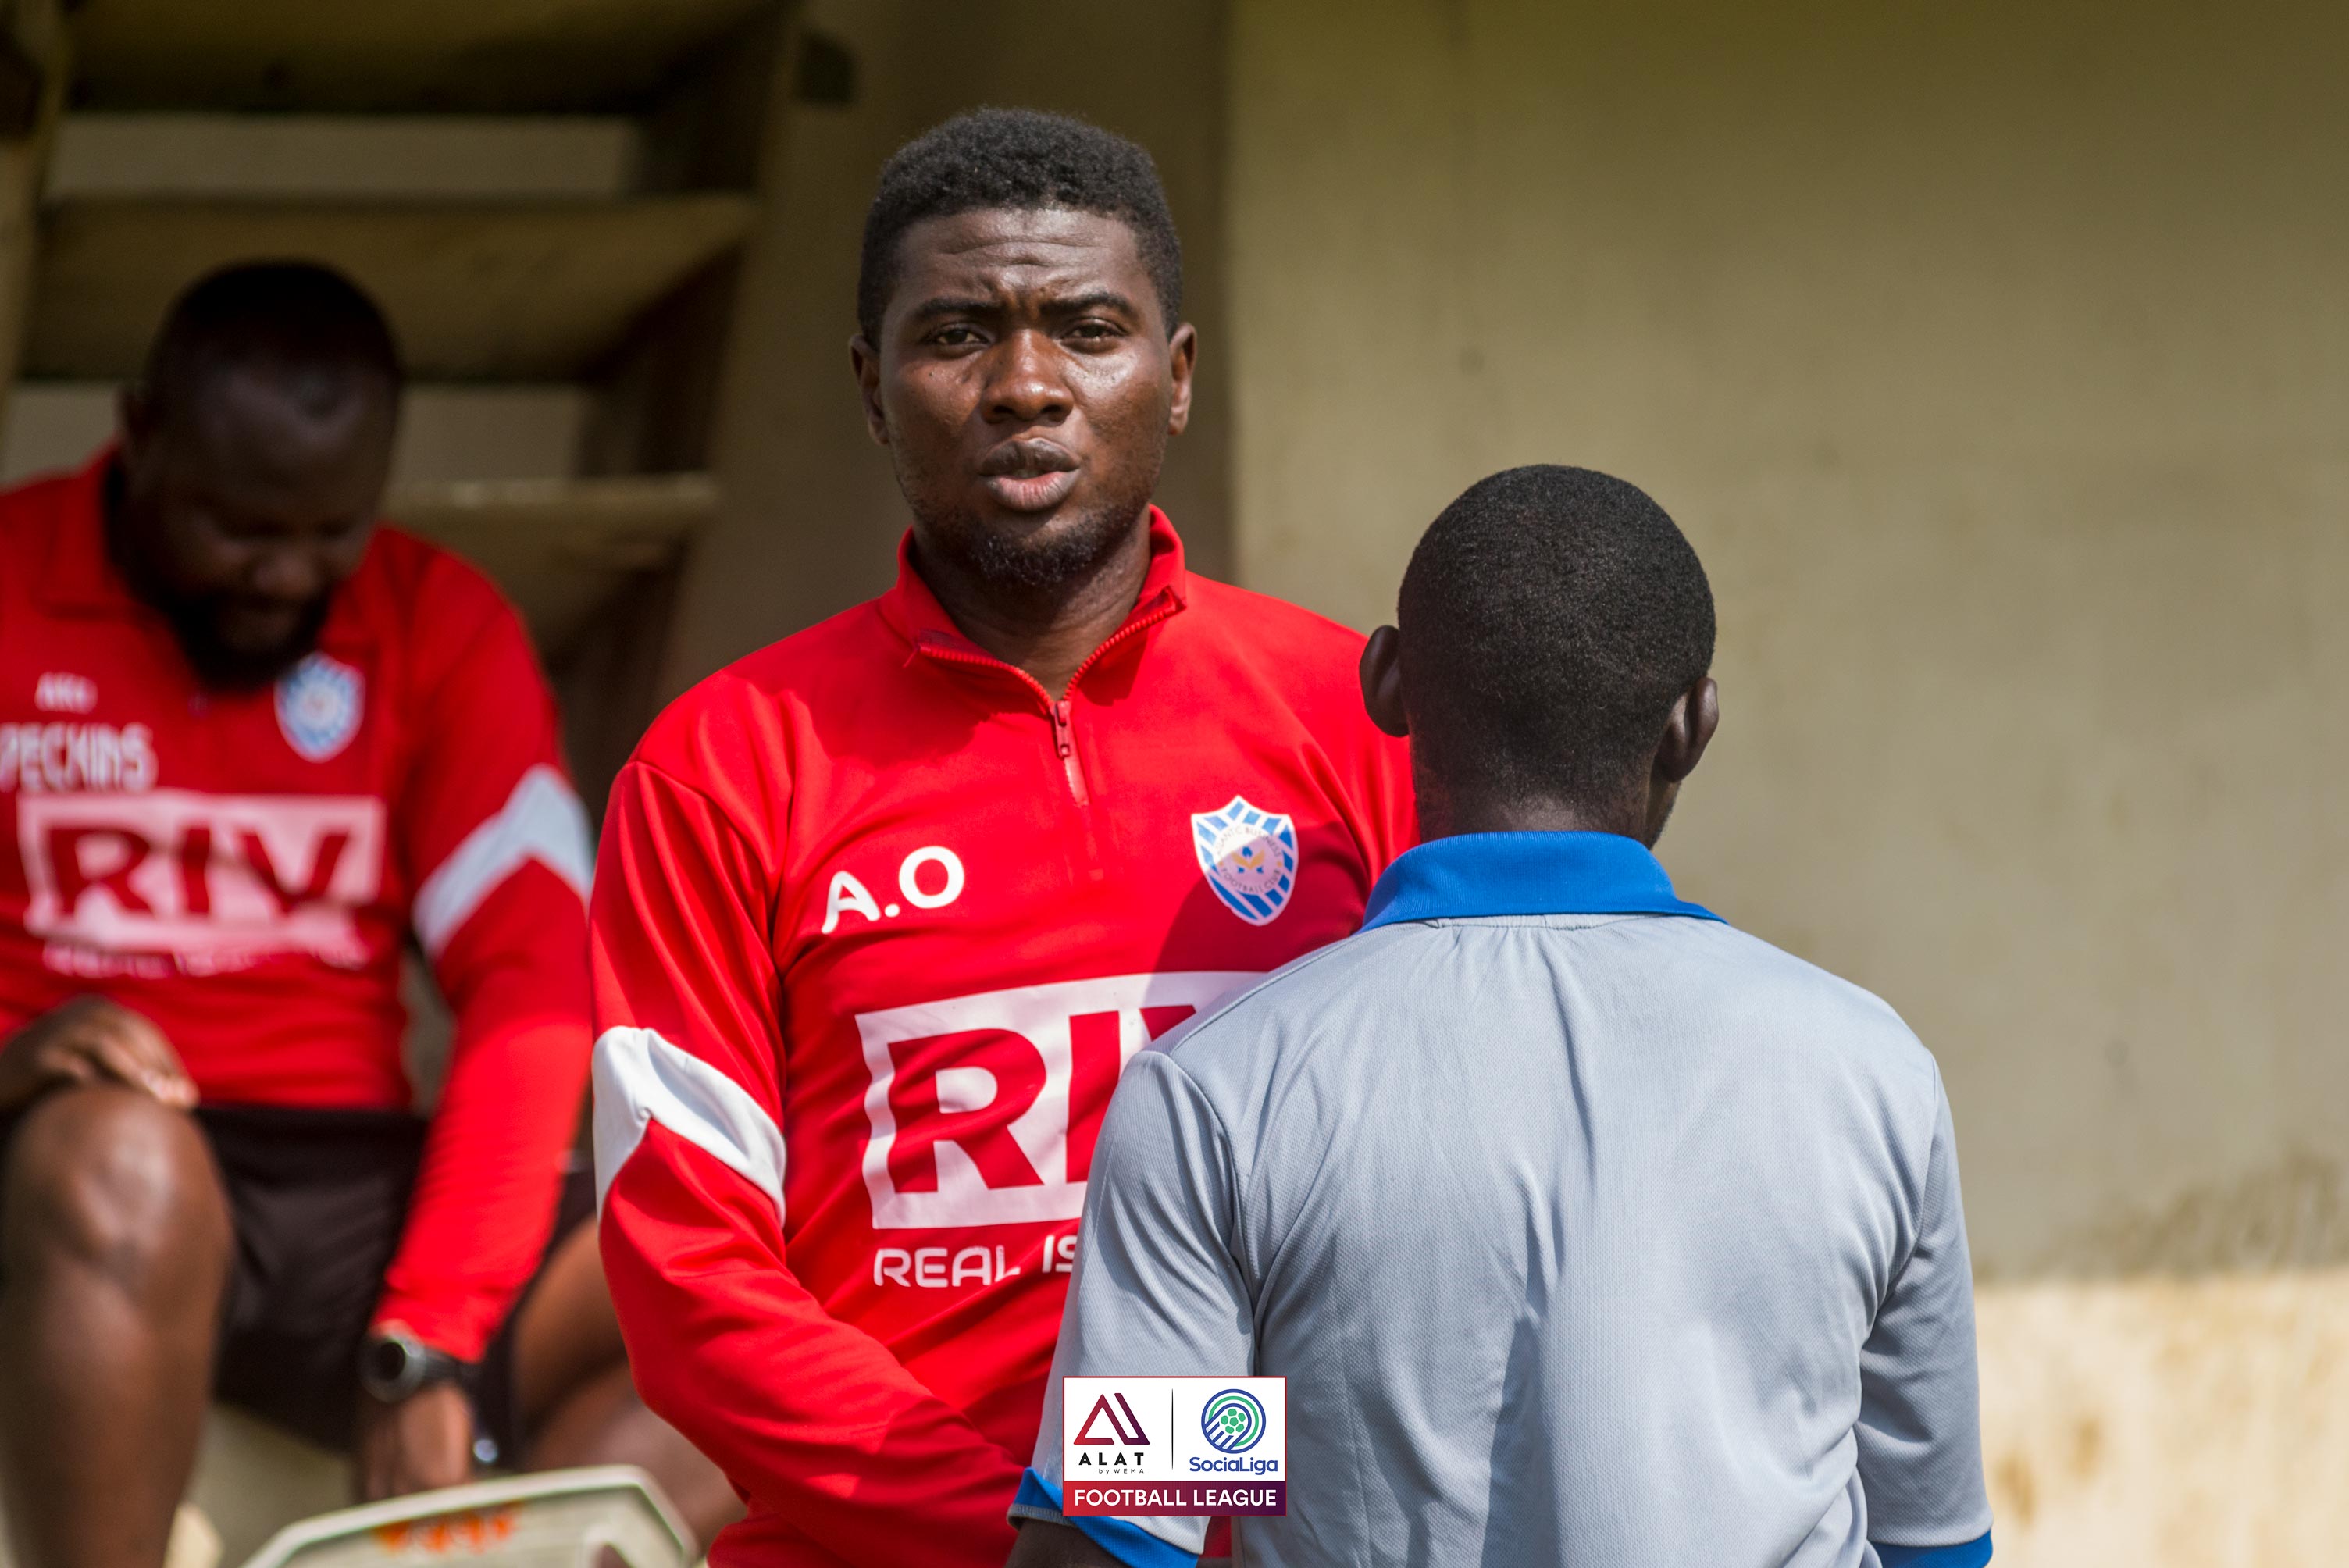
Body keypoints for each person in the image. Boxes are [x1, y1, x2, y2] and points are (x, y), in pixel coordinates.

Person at [588, 108, 1413, 1568]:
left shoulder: (1356, 716)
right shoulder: (721, 765)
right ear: (871, 386)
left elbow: (1475, 1183)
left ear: (1176, 378)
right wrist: (1028, 1534)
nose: (1026, 386)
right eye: (959, 335)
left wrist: (1165, 1515)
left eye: (1088, 330)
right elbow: (688, 1273)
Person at [1011, 465, 1995, 1568]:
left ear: (1386, 685)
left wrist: (1302, 1420)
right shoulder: (1869, 1071)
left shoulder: (1221, 1093)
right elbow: (1932, 1542)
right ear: (1692, 725)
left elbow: (1125, 1540)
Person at [0, 262, 733, 1568]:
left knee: (735, 1265)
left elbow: (536, 987)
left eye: (330, 530)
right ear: (141, 433)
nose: (286, 573)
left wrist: (431, 1334)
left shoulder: (436, 623)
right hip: (73, 1168)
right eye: (237, 526)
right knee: (123, 1165)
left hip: (343, 1194)